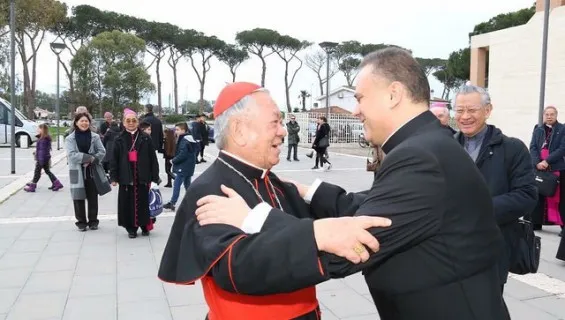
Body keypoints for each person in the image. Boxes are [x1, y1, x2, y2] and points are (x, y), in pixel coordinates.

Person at [192, 49, 510, 320]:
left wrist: (254, 217)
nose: (356, 109)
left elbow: (353, 244)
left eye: (359, 98)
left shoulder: (419, 157)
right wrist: (309, 191)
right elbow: (373, 209)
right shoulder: (429, 144)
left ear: (394, 94)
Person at [158, 82, 392, 320]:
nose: (282, 131)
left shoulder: (272, 181)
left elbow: (342, 214)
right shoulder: (211, 190)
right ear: (239, 131)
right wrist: (322, 238)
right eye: (275, 122)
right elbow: (238, 268)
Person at [453, 84, 537, 293]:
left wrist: (479, 209)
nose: (465, 117)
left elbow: (526, 195)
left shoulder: (512, 149)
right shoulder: (446, 146)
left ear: (488, 110)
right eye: (460, 110)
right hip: (449, 249)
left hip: (491, 248)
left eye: (472, 110)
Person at [110, 109, 160, 238]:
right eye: (128, 120)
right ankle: (131, 228)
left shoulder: (145, 137)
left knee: (144, 202)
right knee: (127, 204)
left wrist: (155, 176)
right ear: (124, 123)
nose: (131, 123)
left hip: (142, 175)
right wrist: (113, 177)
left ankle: (144, 225)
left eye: (134, 120)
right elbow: (113, 159)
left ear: (138, 122)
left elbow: (152, 158)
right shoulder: (119, 139)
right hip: (126, 176)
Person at [65, 113, 110, 231]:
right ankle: (81, 222)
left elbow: (102, 151)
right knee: (78, 197)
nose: (84, 123)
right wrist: (88, 158)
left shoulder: (95, 137)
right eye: (81, 121)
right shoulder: (70, 138)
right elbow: (71, 155)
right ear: (76, 123)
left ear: (89, 123)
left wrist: (93, 160)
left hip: (92, 171)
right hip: (77, 171)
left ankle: (93, 221)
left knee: (92, 197)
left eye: (86, 121)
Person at [528, 106, 565, 236]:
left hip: (555, 168)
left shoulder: (562, 129)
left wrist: (547, 161)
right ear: (544, 115)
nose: (549, 117)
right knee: (537, 196)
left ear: (556, 115)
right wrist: (537, 162)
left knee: (559, 198)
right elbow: (532, 147)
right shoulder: (538, 130)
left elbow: (562, 149)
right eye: (547, 114)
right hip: (538, 168)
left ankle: (563, 227)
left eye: (552, 114)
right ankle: (536, 222)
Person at [163, 122, 199, 211]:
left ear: (183, 130)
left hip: (182, 167)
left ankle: (172, 202)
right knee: (187, 185)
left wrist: (173, 160)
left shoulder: (184, 140)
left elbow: (183, 154)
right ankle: (194, 202)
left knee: (177, 185)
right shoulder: (189, 139)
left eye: (178, 130)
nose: (176, 131)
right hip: (188, 167)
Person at [24, 123, 63, 192]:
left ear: (42, 130)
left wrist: (40, 161)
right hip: (45, 158)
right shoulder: (43, 138)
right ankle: (57, 183)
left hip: (42, 159)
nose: (37, 130)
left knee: (37, 172)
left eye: (38, 128)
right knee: (47, 171)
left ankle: (33, 186)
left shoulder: (43, 140)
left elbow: (42, 151)